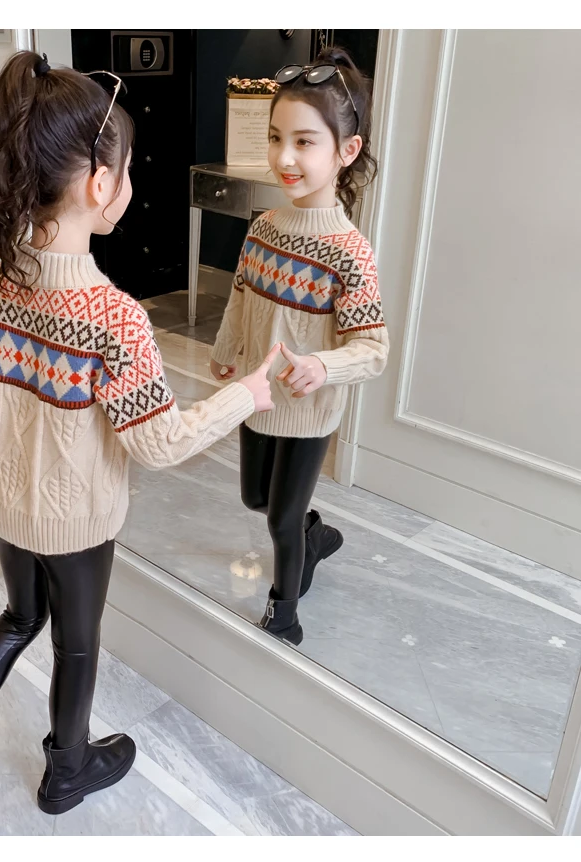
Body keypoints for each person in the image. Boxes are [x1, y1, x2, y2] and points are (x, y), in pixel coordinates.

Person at [0, 51, 278, 824]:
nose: (128, 185)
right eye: (126, 172)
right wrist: (246, 395)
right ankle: (68, 770)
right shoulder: (113, 319)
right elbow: (159, 443)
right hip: (78, 522)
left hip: (6, 506)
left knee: (19, 618)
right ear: (99, 184)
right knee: (77, 643)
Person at [210, 47, 389, 646]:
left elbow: (372, 348)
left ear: (347, 151)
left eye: (305, 142)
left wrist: (320, 364)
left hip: (310, 408)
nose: (284, 157)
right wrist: (226, 349)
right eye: (276, 138)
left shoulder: (350, 253)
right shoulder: (263, 229)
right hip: (258, 395)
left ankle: (284, 614)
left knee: (280, 518)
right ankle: (314, 536)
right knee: (255, 498)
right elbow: (241, 298)